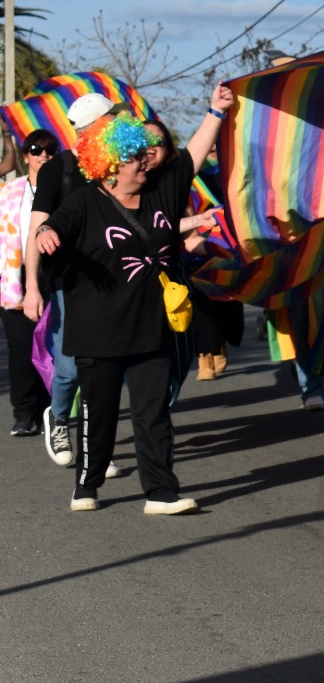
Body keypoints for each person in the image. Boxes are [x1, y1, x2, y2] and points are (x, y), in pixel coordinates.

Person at [36, 85, 235, 514]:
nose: (143, 163)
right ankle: (87, 485)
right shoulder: (85, 202)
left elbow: (193, 156)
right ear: (109, 168)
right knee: (100, 413)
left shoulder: (161, 192)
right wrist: (46, 234)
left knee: (153, 412)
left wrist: (215, 112)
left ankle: (160, 492)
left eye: (142, 155)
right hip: (97, 329)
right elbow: (55, 224)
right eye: (133, 159)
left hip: (151, 327)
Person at [25, 93, 123, 475]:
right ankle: (60, 417)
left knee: (107, 366)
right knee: (70, 368)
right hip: (70, 281)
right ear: (94, 126)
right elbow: (37, 229)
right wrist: (32, 286)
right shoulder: (59, 169)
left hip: (116, 281)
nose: (117, 122)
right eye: (111, 118)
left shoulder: (119, 165)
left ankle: (97, 448)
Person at [1, 130, 57, 436]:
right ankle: (23, 412)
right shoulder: (9, 191)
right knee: (21, 345)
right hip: (14, 275)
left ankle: (51, 408)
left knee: (51, 343)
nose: (43, 155)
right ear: (26, 156)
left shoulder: (65, 188)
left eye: (50, 150)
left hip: (54, 273)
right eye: (36, 150)